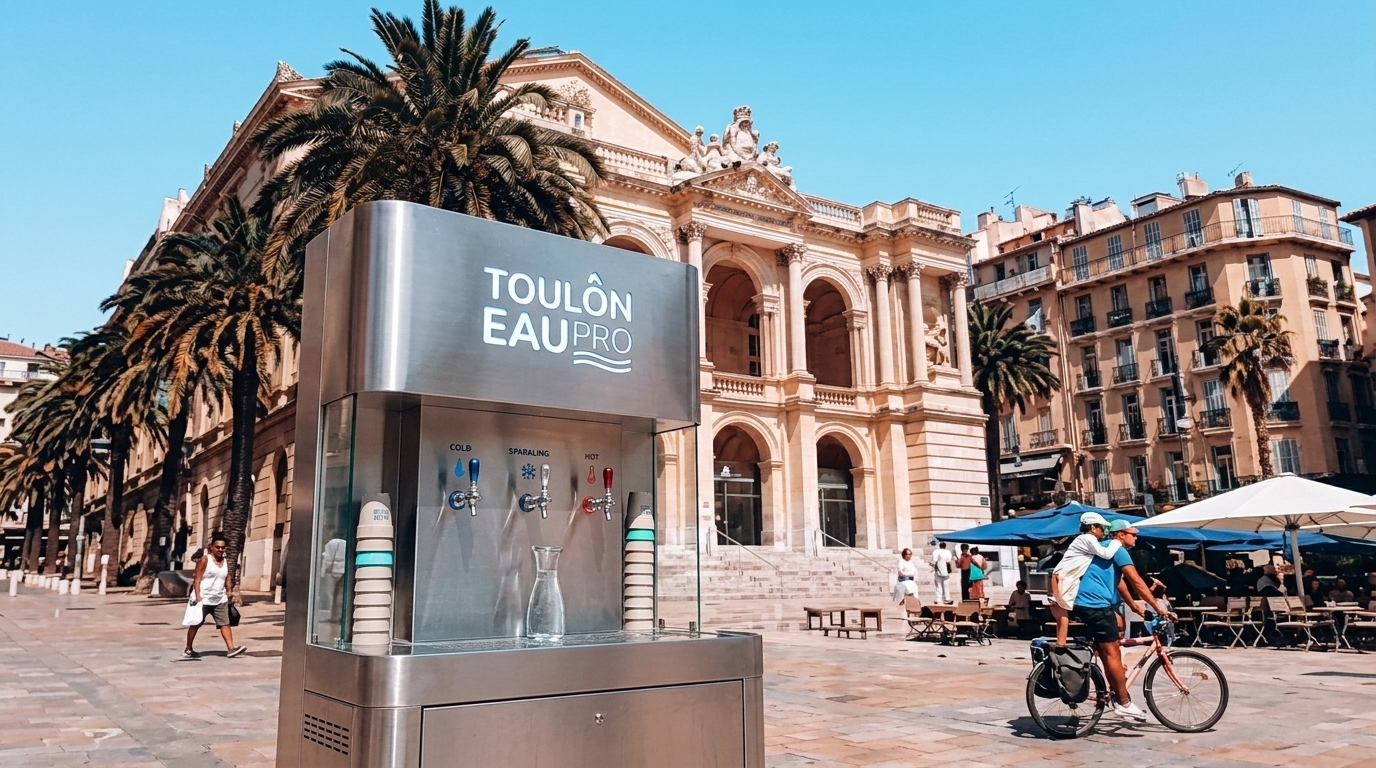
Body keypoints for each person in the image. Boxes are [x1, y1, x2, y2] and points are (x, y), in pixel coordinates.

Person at [1071, 520, 1172, 722]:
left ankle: (1116, 692)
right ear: (1120, 534)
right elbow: (1137, 582)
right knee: (1112, 653)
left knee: (1110, 649)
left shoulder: (1105, 549)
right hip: (1096, 605)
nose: (1136, 537)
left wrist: (1137, 608)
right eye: (1132, 533)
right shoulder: (1118, 549)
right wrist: (1159, 608)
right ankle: (1124, 703)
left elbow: (1120, 584)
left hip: (1085, 604)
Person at [1049, 511, 1122, 647]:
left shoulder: (1082, 540)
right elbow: (1105, 554)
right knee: (1063, 620)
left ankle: (1060, 649)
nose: (1104, 532)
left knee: (1062, 620)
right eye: (1102, 528)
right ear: (1093, 528)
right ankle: (1060, 651)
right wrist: (1117, 542)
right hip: (1064, 580)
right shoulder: (1088, 539)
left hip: (1063, 578)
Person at [184, 533, 245, 658]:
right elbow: (197, 579)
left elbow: (227, 577)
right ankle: (188, 649)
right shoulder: (205, 560)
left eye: (223, 547)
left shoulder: (225, 561)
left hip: (219, 598)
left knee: (225, 623)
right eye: (217, 547)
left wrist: (229, 591)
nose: (220, 550)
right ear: (211, 547)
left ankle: (231, 649)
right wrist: (198, 596)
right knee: (196, 623)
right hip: (203, 598)